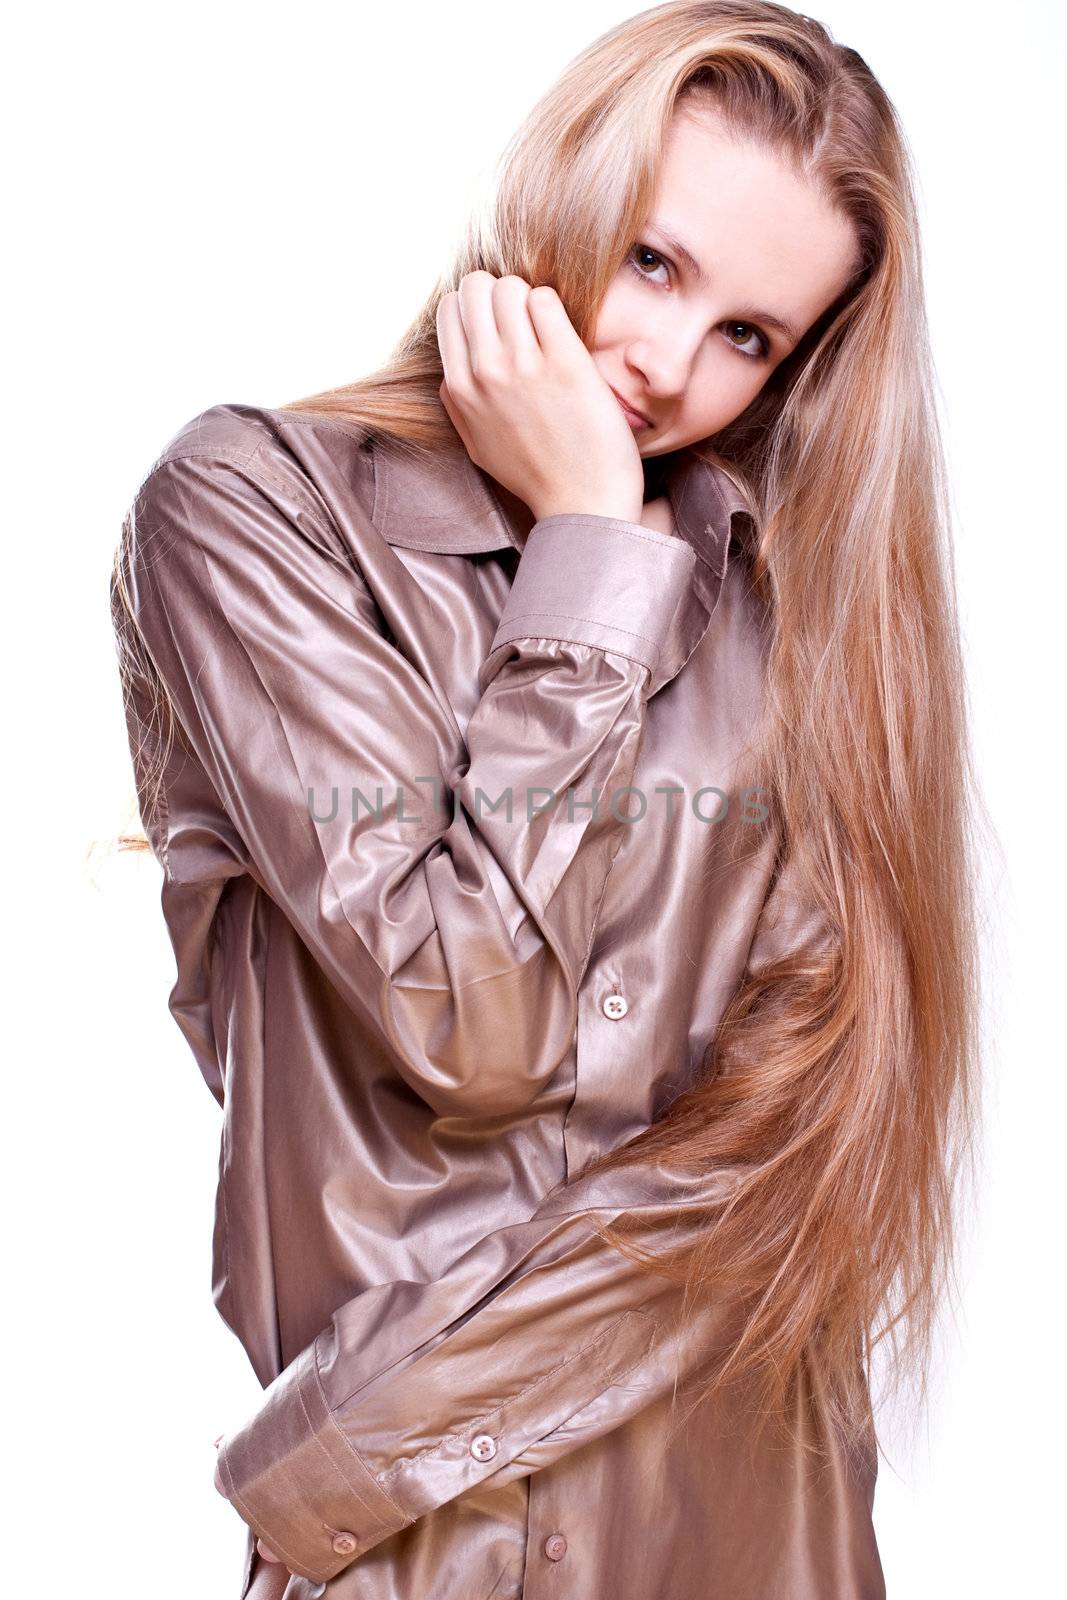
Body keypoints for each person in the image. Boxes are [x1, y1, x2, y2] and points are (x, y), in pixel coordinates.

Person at [109, 2, 981, 1596]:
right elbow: (473, 1017)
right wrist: (591, 537)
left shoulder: (795, 619)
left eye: (751, 338)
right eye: (654, 262)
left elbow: (794, 1157)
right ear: (564, 185)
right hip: (427, 1556)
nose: (665, 364)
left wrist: (354, 1448)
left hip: (756, 1536)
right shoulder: (251, 513)